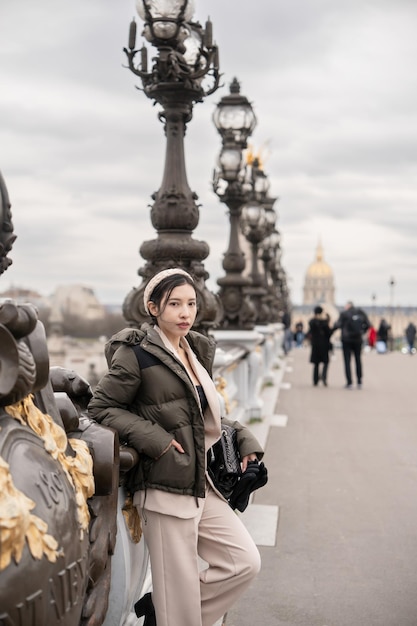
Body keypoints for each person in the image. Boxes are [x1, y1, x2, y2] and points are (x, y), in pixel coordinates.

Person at [88, 268, 263, 626]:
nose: (186, 313)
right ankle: (168, 611)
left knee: (243, 562)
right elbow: (100, 408)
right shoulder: (136, 353)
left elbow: (202, 415)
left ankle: (160, 609)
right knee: (179, 607)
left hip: (201, 483)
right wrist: (156, 439)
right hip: (164, 487)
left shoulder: (195, 350)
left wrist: (244, 438)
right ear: (153, 308)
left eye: (191, 304)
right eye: (175, 304)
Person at [334, 301, 371, 389]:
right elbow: (368, 325)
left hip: (346, 340)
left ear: (347, 306)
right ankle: (359, 381)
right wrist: (362, 332)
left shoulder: (344, 314)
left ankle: (349, 382)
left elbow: (337, 325)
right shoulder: (360, 312)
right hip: (358, 339)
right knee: (358, 360)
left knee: (347, 361)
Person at [308, 305, 334, 386]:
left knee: (316, 364)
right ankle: (324, 376)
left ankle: (315, 380)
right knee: (325, 362)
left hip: (315, 345)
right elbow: (329, 333)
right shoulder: (324, 323)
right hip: (324, 345)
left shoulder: (312, 322)